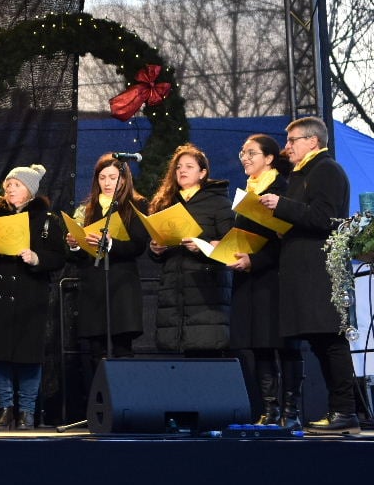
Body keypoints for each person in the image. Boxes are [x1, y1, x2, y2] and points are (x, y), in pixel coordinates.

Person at [258, 116, 358, 432]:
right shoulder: (304, 174)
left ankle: (345, 411)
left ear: (312, 141)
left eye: (292, 141)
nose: (287, 148)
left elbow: (325, 217)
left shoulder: (327, 170)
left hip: (321, 273)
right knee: (320, 343)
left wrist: (281, 206)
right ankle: (338, 411)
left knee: (331, 341)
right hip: (305, 273)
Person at [0, 164, 65, 430]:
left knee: (28, 355)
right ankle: (6, 408)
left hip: (30, 296)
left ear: (30, 192)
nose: (10, 189)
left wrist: (37, 258)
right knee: (0, 354)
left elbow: (59, 256)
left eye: (17, 185)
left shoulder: (47, 220)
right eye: (8, 184)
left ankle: (27, 411)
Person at [227, 135, 301, 428]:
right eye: (242, 153)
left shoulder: (283, 188)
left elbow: (285, 239)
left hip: (277, 278)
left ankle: (291, 412)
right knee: (259, 344)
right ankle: (270, 411)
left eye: (251, 153)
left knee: (285, 345)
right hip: (249, 280)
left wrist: (255, 260)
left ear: (269, 158)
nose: (245, 158)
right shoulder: (247, 192)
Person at [146, 144, 234, 355]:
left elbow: (231, 246)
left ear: (203, 173)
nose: (182, 171)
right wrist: (155, 249)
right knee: (176, 360)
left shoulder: (218, 202)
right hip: (173, 291)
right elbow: (158, 251)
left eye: (189, 166)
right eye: (178, 167)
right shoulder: (166, 203)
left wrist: (201, 245)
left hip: (206, 291)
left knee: (204, 353)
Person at [64, 154, 149, 363]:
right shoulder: (87, 209)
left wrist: (110, 243)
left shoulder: (136, 205)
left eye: (113, 177)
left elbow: (138, 245)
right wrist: (75, 246)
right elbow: (74, 256)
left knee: (122, 350)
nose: (107, 183)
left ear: (124, 179)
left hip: (121, 286)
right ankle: (98, 395)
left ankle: (123, 395)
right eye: (102, 178)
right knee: (96, 352)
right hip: (94, 287)